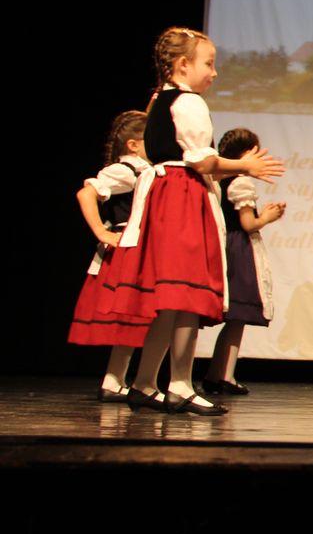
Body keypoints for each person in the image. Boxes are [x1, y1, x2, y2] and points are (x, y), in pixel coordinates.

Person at [94, 28, 285, 415]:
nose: (214, 72)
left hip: (165, 193)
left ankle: (146, 382)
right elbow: (202, 160)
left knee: (171, 298)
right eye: (208, 64)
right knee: (186, 293)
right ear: (183, 65)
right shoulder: (189, 102)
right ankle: (179, 383)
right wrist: (244, 165)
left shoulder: (158, 99)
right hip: (182, 195)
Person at [67, 110, 150, 401]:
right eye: (150, 138)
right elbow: (85, 194)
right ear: (133, 145)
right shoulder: (126, 170)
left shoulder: (144, 169)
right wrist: (102, 233)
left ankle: (116, 380)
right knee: (129, 315)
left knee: (137, 318)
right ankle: (115, 381)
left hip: (141, 247)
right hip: (127, 250)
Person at [202, 127, 287, 397]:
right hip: (239, 249)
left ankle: (216, 375)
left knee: (234, 318)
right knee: (238, 316)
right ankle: (224, 376)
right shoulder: (241, 183)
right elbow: (248, 224)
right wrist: (268, 217)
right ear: (248, 153)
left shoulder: (218, 179)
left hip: (224, 244)